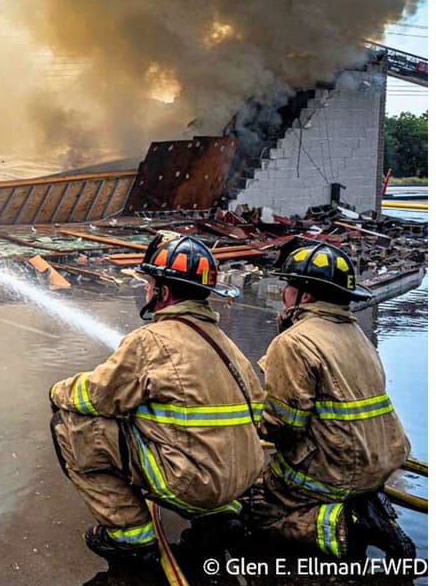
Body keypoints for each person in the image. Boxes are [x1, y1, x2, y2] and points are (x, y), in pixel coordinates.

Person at [50, 234, 265, 563]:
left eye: (150, 283)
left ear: (162, 292)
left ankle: (131, 534)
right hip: (239, 481)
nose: (146, 290)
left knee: (72, 424)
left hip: (192, 484)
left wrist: (59, 390)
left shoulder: (150, 340)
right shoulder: (227, 345)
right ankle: (218, 517)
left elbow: (97, 397)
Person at [244, 240, 413, 559]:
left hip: (332, 472)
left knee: (249, 506)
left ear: (305, 295)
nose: (283, 293)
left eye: (288, 285)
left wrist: (248, 423)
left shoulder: (294, 343)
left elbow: (284, 428)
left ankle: (341, 526)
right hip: (377, 464)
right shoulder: (356, 334)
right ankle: (366, 505)